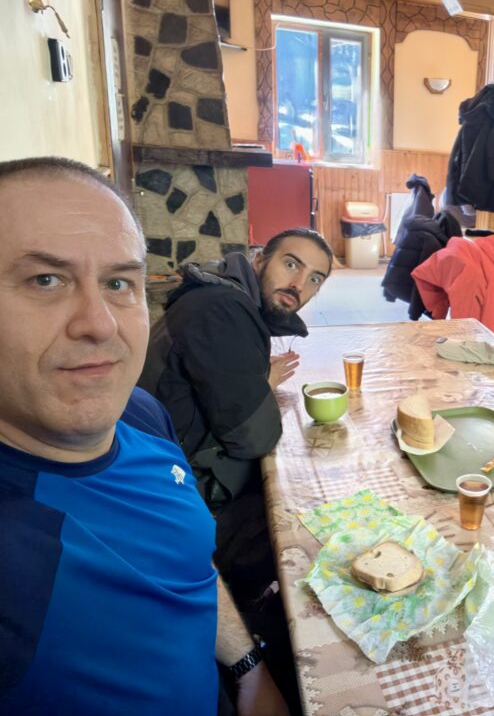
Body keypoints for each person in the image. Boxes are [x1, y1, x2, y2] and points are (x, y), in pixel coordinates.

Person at [0, 157, 287, 714]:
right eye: (46, 280)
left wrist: (249, 669)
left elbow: (184, 557)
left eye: (118, 283)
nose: (100, 322)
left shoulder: (137, 413)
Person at [139, 227, 333, 594]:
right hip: (168, 493)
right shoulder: (223, 310)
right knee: (306, 517)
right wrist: (263, 384)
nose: (298, 284)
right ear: (259, 260)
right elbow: (254, 437)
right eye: (291, 264)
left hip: (168, 458)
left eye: (314, 279)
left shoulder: (224, 297)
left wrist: (255, 376)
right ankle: (251, 612)